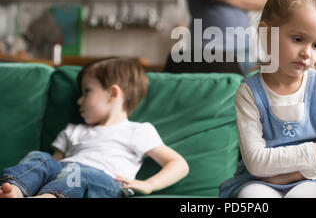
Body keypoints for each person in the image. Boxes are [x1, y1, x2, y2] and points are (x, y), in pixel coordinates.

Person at [219, 0, 316, 198]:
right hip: (258, 182)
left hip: (315, 180)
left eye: (315, 44)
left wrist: (293, 175)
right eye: (297, 39)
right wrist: (314, 150)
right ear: (266, 34)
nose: (307, 52)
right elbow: (256, 163)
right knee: (252, 198)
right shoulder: (249, 93)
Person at [0, 58, 189, 198]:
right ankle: (15, 189)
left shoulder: (138, 131)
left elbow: (178, 164)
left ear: (113, 94)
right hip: (65, 172)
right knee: (40, 157)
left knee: (79, 173)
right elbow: (53, 164)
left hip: (102, 181)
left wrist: (149, 185)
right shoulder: (74, 130)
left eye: (86, 92)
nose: (78, 100)